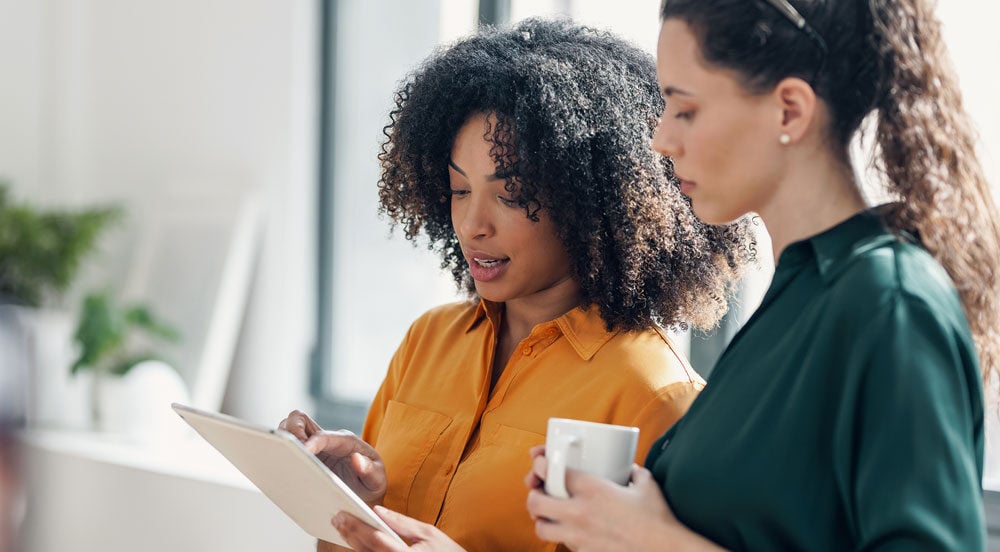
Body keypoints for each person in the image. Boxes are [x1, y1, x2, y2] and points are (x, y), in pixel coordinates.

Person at [522, 0, 1000, 550]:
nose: (660, 140)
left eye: (685, 110)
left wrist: (650, 539)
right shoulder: (798, 295)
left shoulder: (889, 303)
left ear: (789, 111)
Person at [279, 17, 754, 552]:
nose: (473, 224)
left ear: (590, 204)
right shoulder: (427, 343)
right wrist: (345, 502)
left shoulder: (654, 397)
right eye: (460, 190)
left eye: (511, 195)